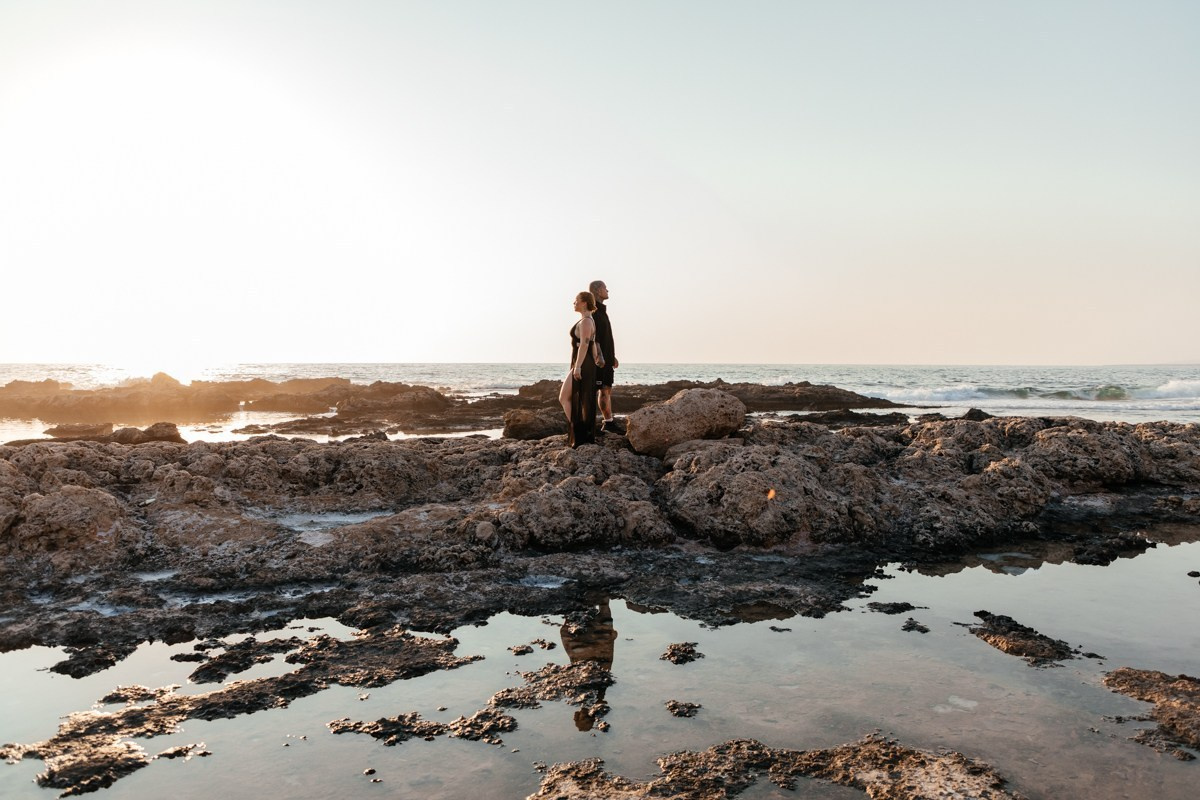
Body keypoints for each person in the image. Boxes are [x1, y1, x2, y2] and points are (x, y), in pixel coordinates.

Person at [558, 291, 602, 447]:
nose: (574, 303)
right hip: (584, 362)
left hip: (582, 363)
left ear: (584, 302)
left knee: (564, 397)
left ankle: (580, 433)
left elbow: (584, 344)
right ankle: (580, 433)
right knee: (580, 399)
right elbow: (592, 345)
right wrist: (596, 359)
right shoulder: (588, 320)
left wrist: (577, 367)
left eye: (576, 300)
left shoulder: (586, 322)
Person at [589, 280, 619, 432]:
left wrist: (612, 356)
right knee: (600, 389)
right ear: (598, 290)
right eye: (605, 288)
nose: (608, 291)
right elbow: (595, 338)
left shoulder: (602, 312)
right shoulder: (594, 312)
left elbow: (606, 337)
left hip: (606, 358)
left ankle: (608, 422)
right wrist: (600, 356)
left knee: (606, 389)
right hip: (599, 360)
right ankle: (604, 424)